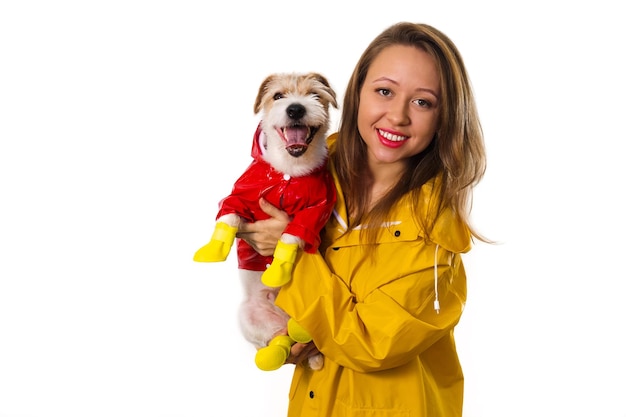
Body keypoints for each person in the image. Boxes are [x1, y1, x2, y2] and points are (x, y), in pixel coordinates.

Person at [236, 21, 488, 417]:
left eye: (423, 102)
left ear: (445, 118)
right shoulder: (313, 173)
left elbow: (372, 342)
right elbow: (271, 280)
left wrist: (295, 252)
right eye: (384, 91)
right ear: (356, 93)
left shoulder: (435, 230)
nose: (398, 116)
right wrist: (282, 332)